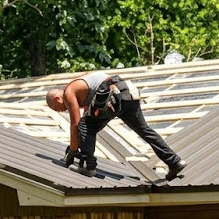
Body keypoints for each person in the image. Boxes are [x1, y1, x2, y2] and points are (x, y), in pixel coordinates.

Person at [45, 73, 187, 179]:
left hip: (113, 94)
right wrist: (76, 146)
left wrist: (72, 152)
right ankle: (174, 162)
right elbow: (92, 118)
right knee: (144, 130)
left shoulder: (68, 93)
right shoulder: (82, 88)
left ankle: (88, 167)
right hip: (127, 93)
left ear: (58, 98)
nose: (60, 111)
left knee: (86, 126)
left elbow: (76, 124)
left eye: (57, 108)